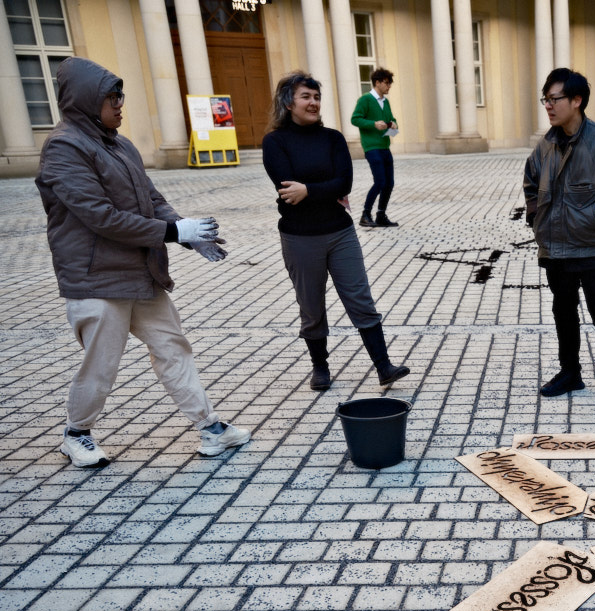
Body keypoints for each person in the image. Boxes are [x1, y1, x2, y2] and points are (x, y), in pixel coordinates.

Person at [35, 57, 251, 468]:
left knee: (173, 348)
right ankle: (76, 433)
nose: (120, 105)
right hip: (95, 277)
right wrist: (174, 234)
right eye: (111, 98)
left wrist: (189, 234)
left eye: (121, 96)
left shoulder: (120, 144)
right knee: (102, 363)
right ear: (86, 100)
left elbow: (151, 200)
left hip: (140, 271)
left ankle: (210, 428)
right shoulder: (64, 147)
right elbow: (99, 216)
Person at [262, 71, 410, 392]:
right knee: (311, 306)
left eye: (316, 97)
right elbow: (288, 188)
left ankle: (384, 367)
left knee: (361, 300)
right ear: (288, 102)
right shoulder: (275, 142)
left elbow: (344, 183)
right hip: (300, 237)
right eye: (306, 96)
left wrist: (310, 190)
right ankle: (320, 367)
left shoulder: (333, 138)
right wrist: (324, 190)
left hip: (340, 232)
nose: (313, 102)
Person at [523, 67, 595, 404]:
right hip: (556, 248)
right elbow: (531, 181)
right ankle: (570, 373)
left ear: (576, 101)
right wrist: (536, 217)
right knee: (563, 313)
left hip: (594, 246)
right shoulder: (545, 145)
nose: (548, 105)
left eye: (554, 99)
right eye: (545, 99)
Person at [351, 68, 399, 226]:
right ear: (377, 82)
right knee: (380, 181)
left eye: (390, 83)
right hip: (371, 147)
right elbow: (355, 119)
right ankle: (365, 215)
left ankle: (381, 215)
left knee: (389, 183)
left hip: (385, 145)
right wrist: (373, 124)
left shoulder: (385, 102)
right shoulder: (365, 99)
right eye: (386, 83)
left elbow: (389, 118)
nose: (389, 86)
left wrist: (393, 123)